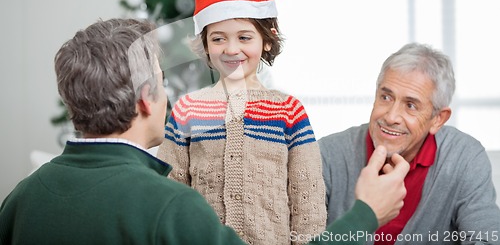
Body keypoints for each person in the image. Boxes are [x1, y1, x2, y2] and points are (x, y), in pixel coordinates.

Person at [0, 17, 409, 245]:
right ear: (147, 98)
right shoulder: (172, 208)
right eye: (161, 79)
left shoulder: (20, 201)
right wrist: (366, 213)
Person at [156, 0, 325, 245]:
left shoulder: (288, 111)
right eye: (218, 38)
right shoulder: (188, 110)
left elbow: (308, 202)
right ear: (205, 45)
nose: (231, 49)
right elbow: (171, 191)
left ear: (267, 40)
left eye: (244, 37)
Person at [319, 42, 500, 245]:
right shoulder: (326, 154)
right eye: (385, 97)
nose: (391, 116)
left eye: (411, 105)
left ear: (438, 119)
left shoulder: (465, 158)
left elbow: (487, 240)